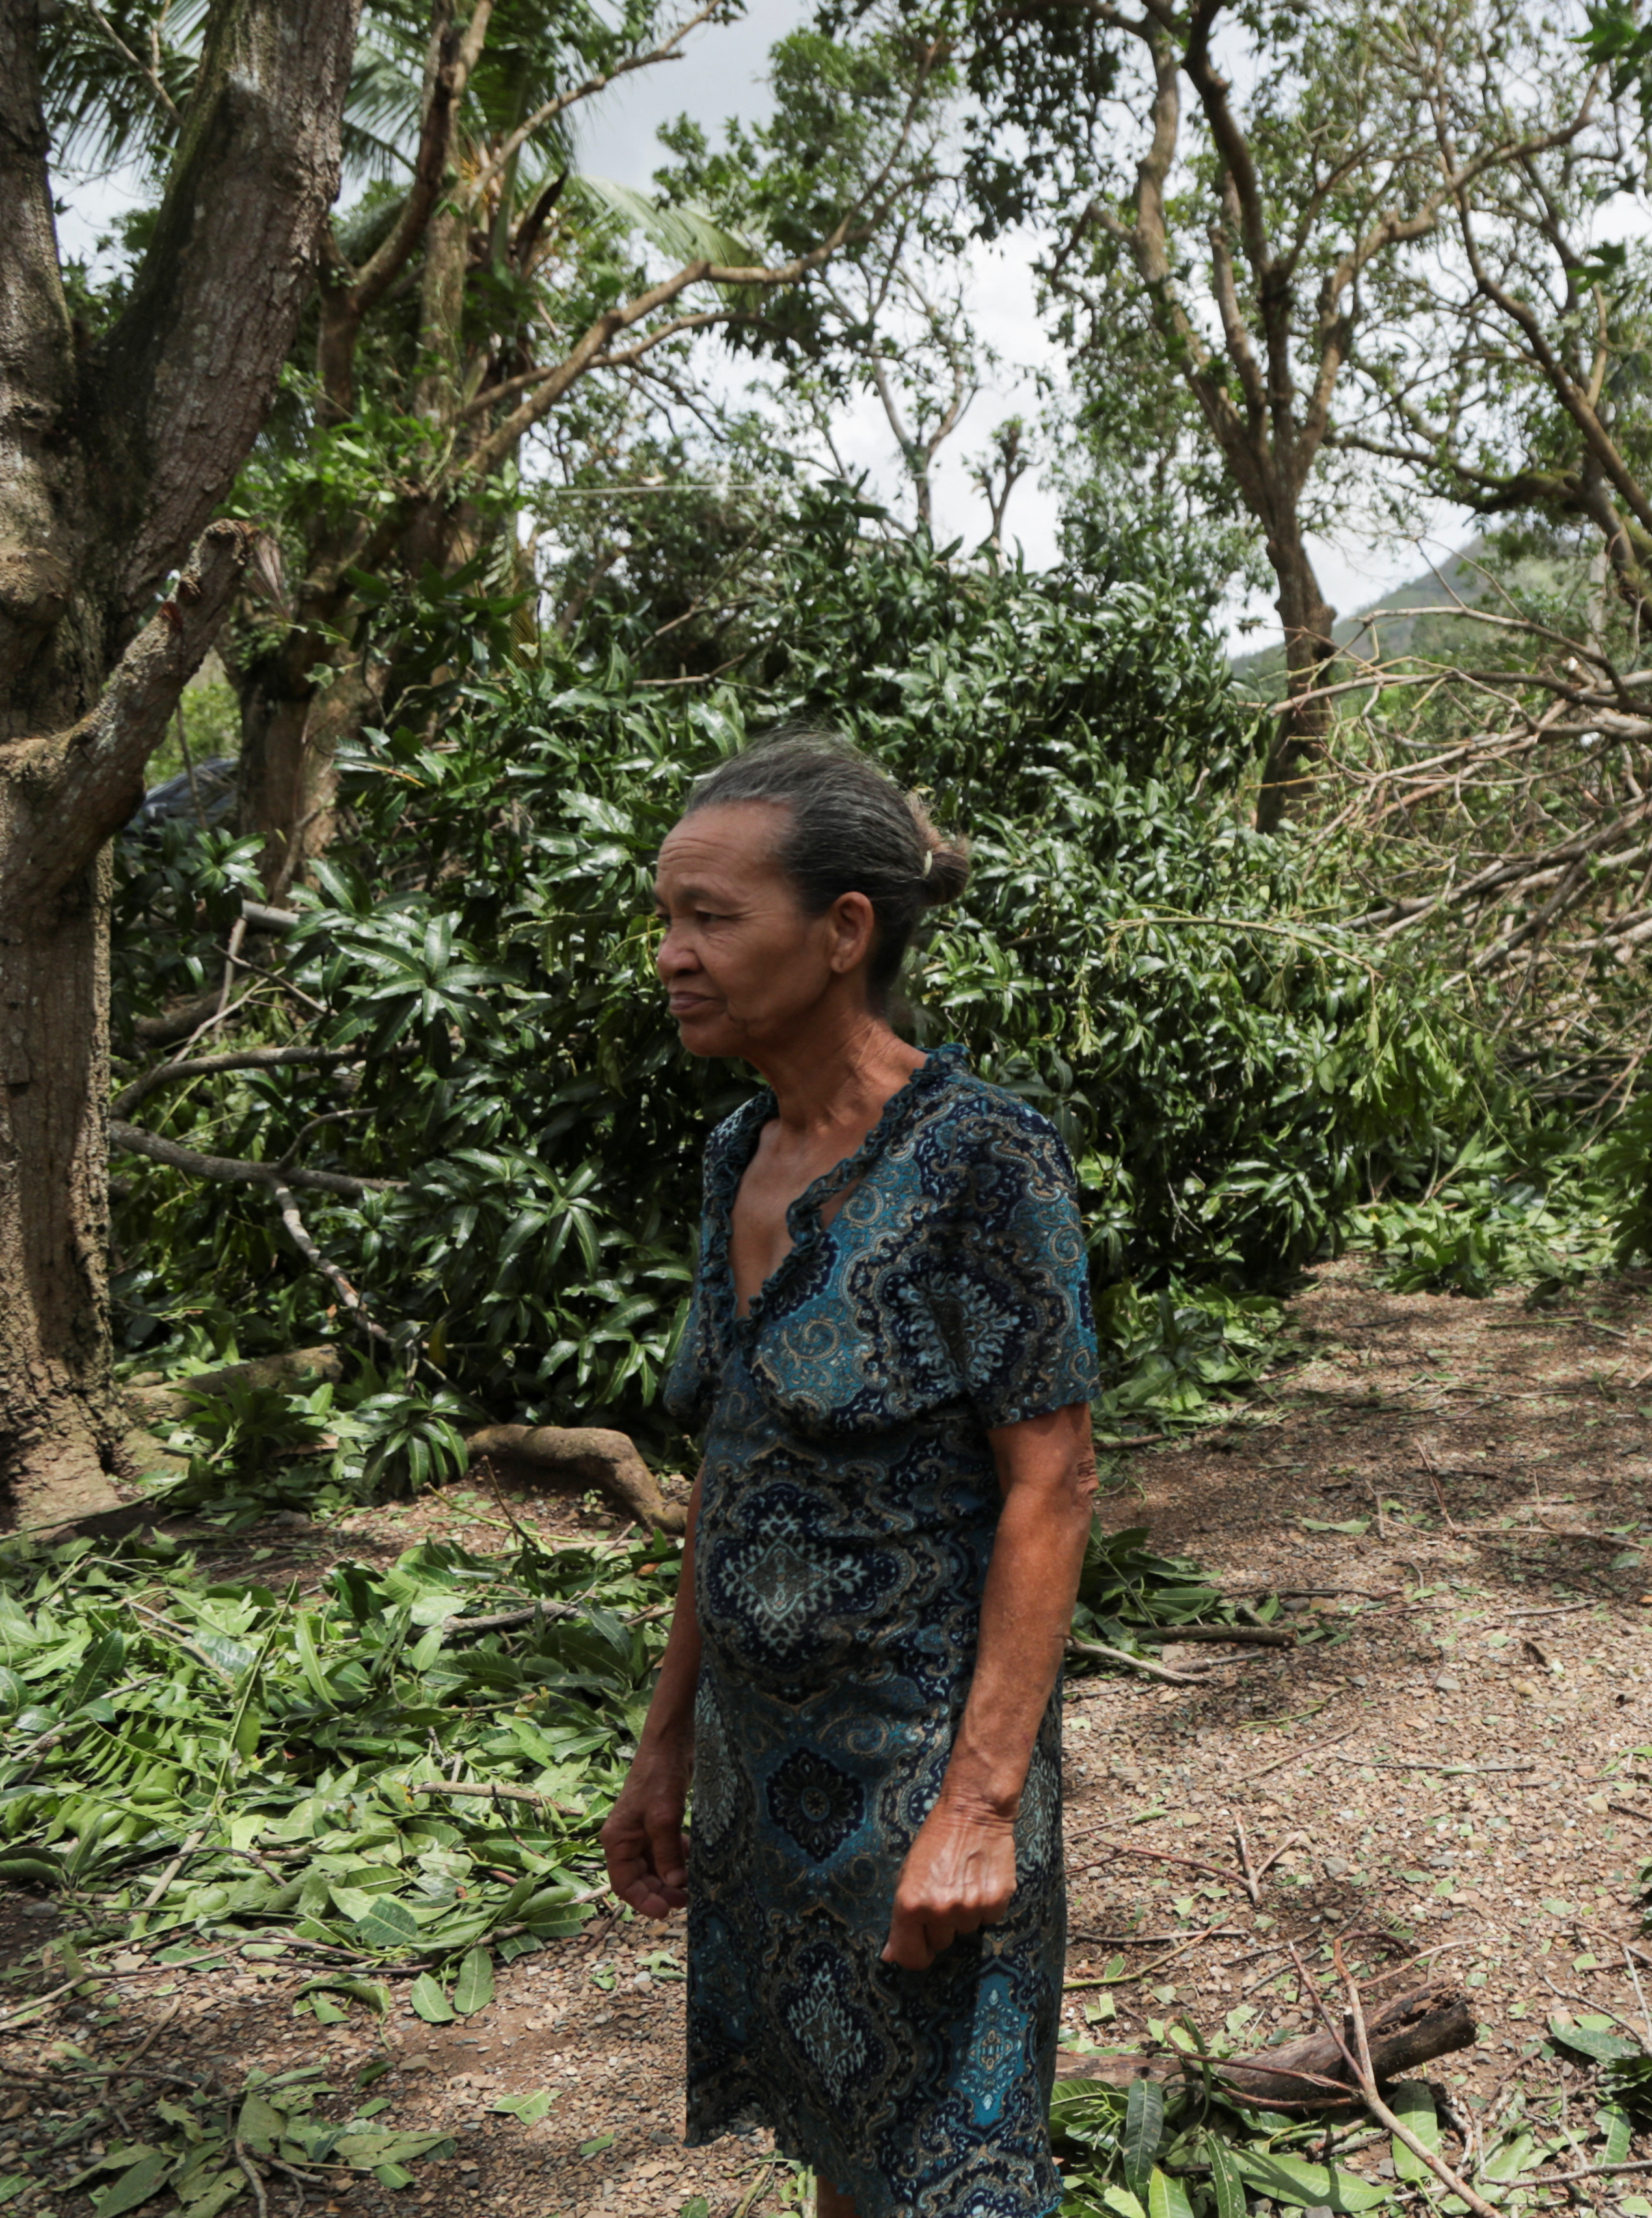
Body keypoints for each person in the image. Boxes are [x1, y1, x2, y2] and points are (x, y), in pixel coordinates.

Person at [601, 726, 1100, 2218]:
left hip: (916, 1781)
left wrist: (983, 1806)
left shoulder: (983, 1161)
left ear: (841, 933)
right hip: (765, 1780)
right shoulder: (732, 1156)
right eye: (667, 917)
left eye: (712, 916)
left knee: (955, 2172)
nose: (674, 954)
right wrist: (668, 1737)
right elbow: (730, 1459)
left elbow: (1053, 1485)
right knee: (841, 2137)